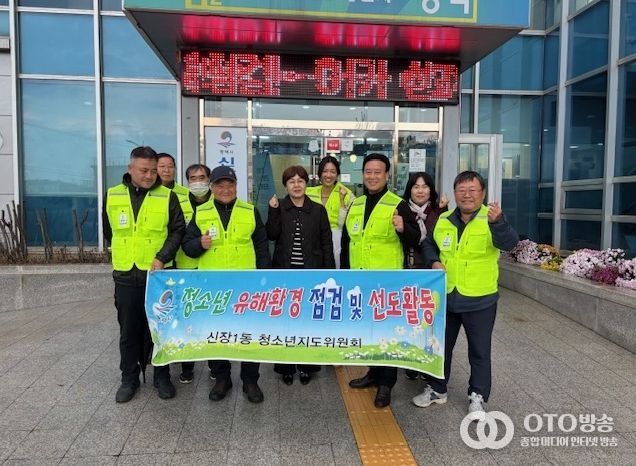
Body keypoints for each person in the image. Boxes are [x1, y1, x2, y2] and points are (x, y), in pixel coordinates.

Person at [412, 171, 519, 418]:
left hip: (480, 298)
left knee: (479, 352)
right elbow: (428, 244)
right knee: (440, 347)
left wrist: (499, 223)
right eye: (461, 190)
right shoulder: (444, 219)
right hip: (447, 296)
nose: (467, 195)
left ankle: (478, 396)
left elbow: (509, 243)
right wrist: (434, 261)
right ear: (455, 193)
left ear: (482, 193)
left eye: (472, 190)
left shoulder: (491, 219)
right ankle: (437, 389)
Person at [182, 165, 271, 403]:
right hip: (214, 288)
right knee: (216, 333)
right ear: (212, 187)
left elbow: (262, 247)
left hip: (246, 287)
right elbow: (187, 247)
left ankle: (250, 380)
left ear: (236, 186)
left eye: (230, 184)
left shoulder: (250, 211)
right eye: (220, 185)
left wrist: (264, 280)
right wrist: (199, 243)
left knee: (249, 334)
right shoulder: (201, 212)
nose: (225, 189)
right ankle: (222, 378)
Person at [103, 146, 185, 403]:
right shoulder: (112, 195)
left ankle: (162, 377)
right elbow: (109, 231)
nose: (149, 175)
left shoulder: (167, 196)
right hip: (126, 275)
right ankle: (129, 379)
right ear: (130, 169)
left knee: (160, 330)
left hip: (158, 276)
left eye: (153, 171)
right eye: (143, 170)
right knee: (128, 331)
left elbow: (178, 230)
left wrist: (161, 257)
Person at [341, 153, 420, 408]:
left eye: (378, 172)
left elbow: (415, 239)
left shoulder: (398, 204)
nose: (372, 176)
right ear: (363, 174)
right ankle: (373, 373)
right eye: (368, 172)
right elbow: (347, 243)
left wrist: (403, 228)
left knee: (387, 333)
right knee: (369, 332)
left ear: (386, 175)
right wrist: (345, 277)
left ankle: (386, 383)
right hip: (360, 282)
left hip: (387, 285)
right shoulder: (356, 204)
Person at [267, 165, 334, 385]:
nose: (296, 185)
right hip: (284, 275)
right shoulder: (279, 207)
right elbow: (271, 235)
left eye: (300, 181)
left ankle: (307, 366)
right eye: (291, 181)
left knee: (308, 322)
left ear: (307, 183)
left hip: (311, 276)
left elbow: (326, 243)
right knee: (285, 323)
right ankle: (286, 367)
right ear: (285, 185)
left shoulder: (318, 210)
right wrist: (273, 211)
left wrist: (330, 276)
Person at [401, 172, 448, 380]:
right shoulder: (401, 210)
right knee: (409, 316)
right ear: (409, 189)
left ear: (431, 189)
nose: (420, 191)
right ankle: (410, 361)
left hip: (431, 273)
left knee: (428, 318)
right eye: (416, 186)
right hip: (408, 270)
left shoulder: (440, 212)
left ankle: (427, 361)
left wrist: (442, 210)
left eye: (425, 186)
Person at [173, 164, 213, 384]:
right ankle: (187, 365)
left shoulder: (218, 201)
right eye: (193, 178)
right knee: (186, 319)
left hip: (211, 269)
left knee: (210, 319)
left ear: (209, 179)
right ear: (187, 181)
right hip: (185, 268)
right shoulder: (178, 203)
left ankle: (214, 365)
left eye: (202, 177)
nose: (198, 182)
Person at [305, 156, 354, 268]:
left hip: (336, 242)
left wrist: (342, 201)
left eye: (333, 171)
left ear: (337, 174)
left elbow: (346, 225)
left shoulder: (347, 194)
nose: (328, 175)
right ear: (319, 173)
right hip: (311, 240)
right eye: (325, 171)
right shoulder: (308, 192)